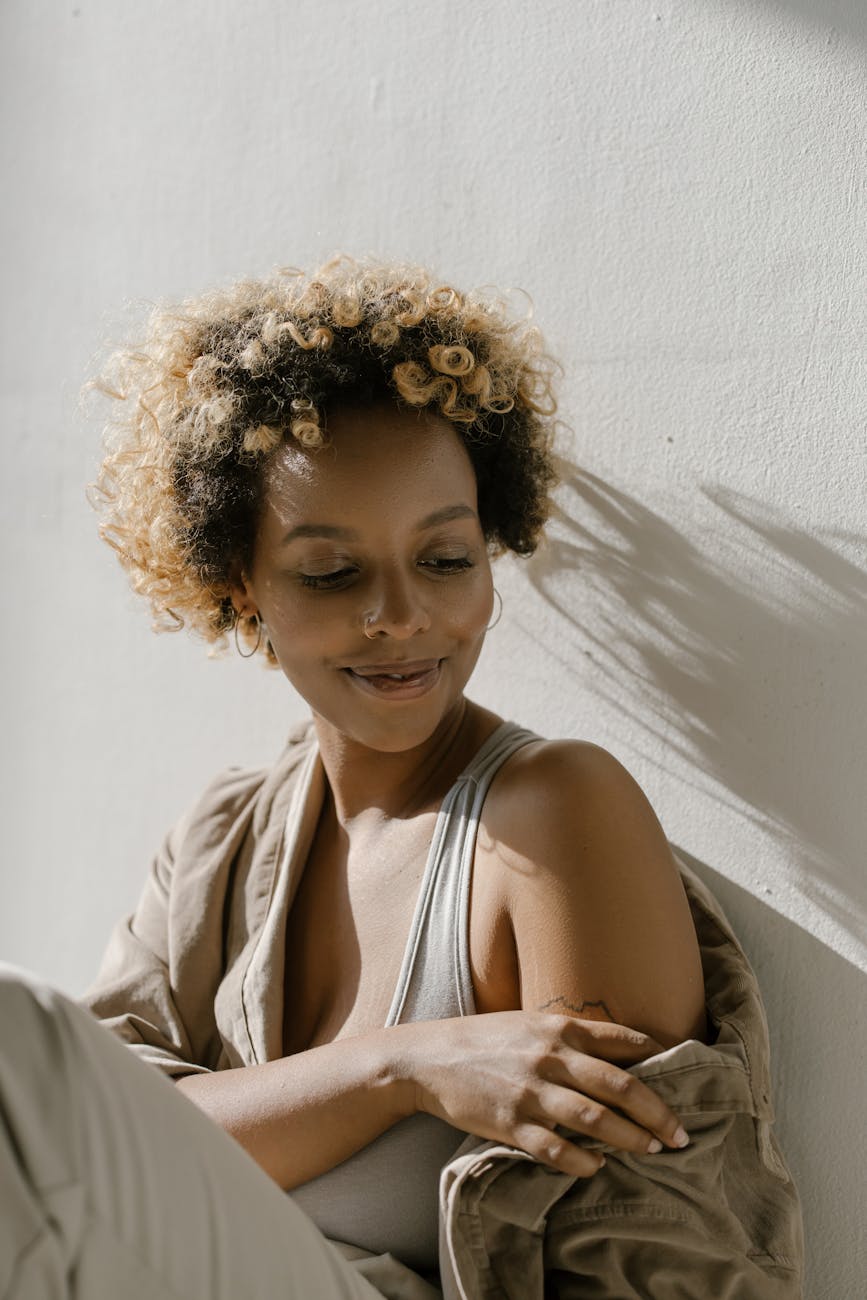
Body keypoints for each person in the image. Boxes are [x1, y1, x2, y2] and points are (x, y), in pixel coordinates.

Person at [0, 257, 803, 1299]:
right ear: (242, 586)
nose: (400, 616)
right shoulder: (224, 841)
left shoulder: (554, 818)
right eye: (333, 572)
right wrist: (398, 1068)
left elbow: (663, 1264)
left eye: (445, 559)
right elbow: (90, 1124)